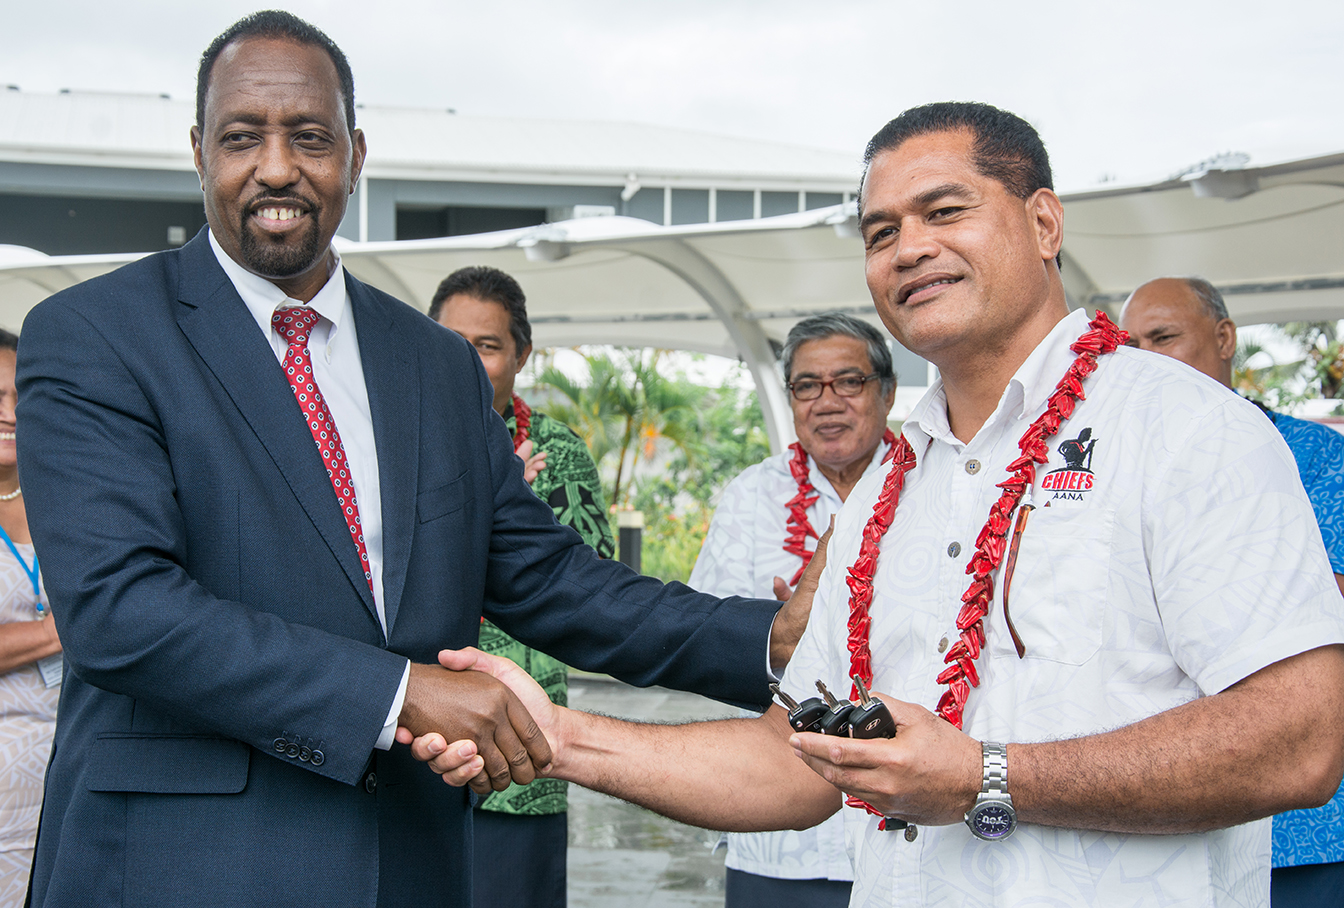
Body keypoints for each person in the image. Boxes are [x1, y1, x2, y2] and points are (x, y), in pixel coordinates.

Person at [417, 102, 1344, 908]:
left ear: (1046, 221)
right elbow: (794, 761)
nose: (910, 247)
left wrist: (986, 777)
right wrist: (560, 734)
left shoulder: (1183, 427)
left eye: (945, 211)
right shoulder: (894, 490)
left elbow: (1304, 736)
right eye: (879, 231)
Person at [13, 12, 799, 907]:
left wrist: (764, 638)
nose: (276, 167)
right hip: (182, 864)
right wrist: (398, 695)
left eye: (309, 137)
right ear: (199, 151)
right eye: (242, 138)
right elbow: (121, 613)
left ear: (354, 152)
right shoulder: (94, 336)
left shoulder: (434, 363)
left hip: (408, 861)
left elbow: (546, 576)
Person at [1121, 276, 1344, 908]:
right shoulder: (1111, 464)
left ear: (1225, 339)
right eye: (1130, 345)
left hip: (1308, 830)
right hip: (1165, 815)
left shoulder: (1319, 456)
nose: (1143, 359)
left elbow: (1321, 610)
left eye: (1163, 338)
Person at [688, 311, 896, 907]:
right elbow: (709, 637)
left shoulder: (928, 483)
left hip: (907, 823)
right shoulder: (752, 496)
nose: (826, 401)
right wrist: (774, 632)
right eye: (808, 385)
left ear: (884, 392)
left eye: (847, 381)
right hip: (779, 832)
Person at [430, 265, 616, 908]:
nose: (468, 361)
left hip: (520, 739)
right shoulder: (394, 442)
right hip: (414, 731)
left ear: (521, 355)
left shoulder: (557, 451)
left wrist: (515, 510)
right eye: (450, 341)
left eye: (487, 345)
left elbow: (589, 585)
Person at [0, 329, 60, 906]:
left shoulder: (61, 493)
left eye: (18, 396)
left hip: (71, 761)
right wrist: (56, 631)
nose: (9, 414)